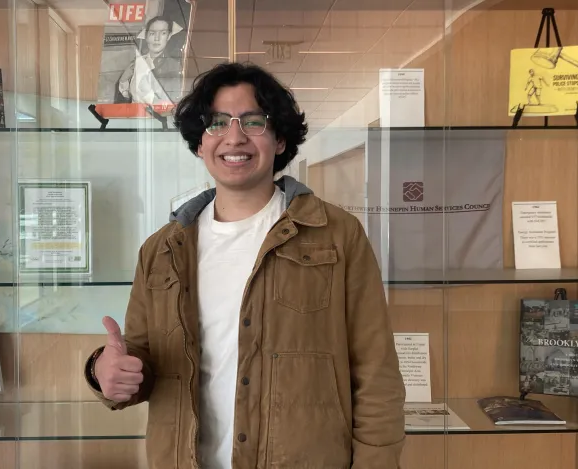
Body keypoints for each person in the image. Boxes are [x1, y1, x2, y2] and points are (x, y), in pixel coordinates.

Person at [84, 62, 406, 469]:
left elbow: (376, 371)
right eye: (217, 122)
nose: (234, 136)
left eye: (253, 121)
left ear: (281, 139)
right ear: (199, 143)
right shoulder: (161, 249)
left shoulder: (337, 235)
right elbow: (144, 361)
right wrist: (107, 371)